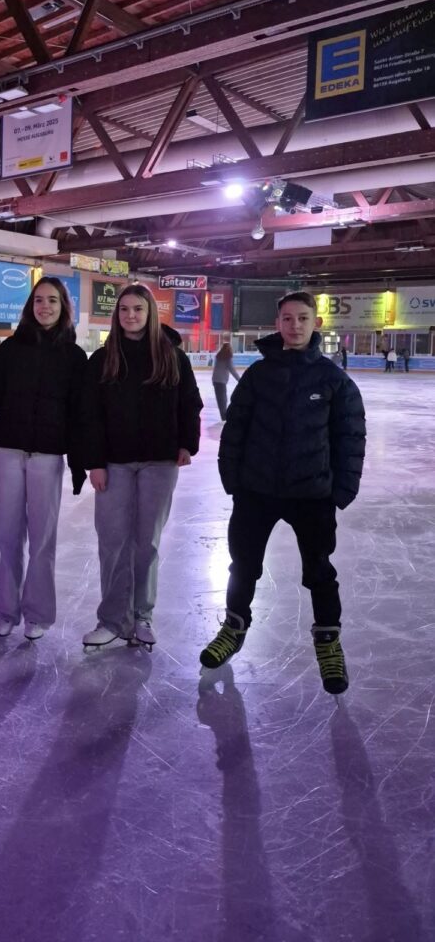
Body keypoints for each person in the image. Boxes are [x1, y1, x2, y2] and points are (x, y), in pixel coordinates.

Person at [200, 291, 366, 695]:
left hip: (312, 495)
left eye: (303, 318)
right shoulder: (259, 375)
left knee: (320, 571)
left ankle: (328, 641)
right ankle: (233, 628)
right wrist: (233, 480)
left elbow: (349, 437)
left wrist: (340, 491)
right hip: (256, 491)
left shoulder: (333, 380)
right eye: (287, 318)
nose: (295, 326)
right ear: (277, 324)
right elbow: (236, 429)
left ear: (316, 323)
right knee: (243, 565)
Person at [0, 277, 87, 641]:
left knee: (42, 539)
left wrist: (78, 463)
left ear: (64, 307)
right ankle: (6, 610)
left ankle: (37, 613)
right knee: (8, 535)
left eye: (52, 301)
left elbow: (79, 415)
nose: (45, 307)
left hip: (48, 457)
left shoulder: (74, 357)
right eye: (39, 300)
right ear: (30, 306)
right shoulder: (11, 349)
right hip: (8, 453)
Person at [80, 283, 203, 650]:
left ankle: (142, 616)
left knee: (146, 543)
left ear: (150, 314)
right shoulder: (103, 360)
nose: (130, 315)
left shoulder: (172, 357)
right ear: (116, 316)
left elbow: (190, 403)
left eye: (138, 309)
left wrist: (187, 443)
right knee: (112, 542)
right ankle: (112, 620)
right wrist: (94, 462)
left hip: (159, 461)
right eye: (124, 310)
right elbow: (89, 415)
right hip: (113, 463)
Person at [211, 342, 240, 420]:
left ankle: (224, 416)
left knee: (221, 400)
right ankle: (224, 417)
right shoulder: (228, 358)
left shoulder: (218, 356)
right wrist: (240, 380)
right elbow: (232, 370)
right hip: (221, 381)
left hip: (216, 380)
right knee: (223, 400)